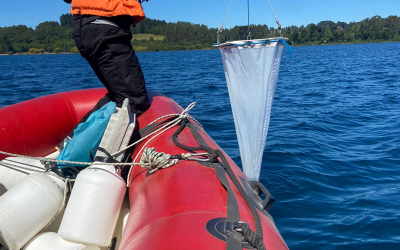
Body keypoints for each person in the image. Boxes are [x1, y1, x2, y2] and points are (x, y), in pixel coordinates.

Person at [62, 0, 150, 139]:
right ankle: (87, 153)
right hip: (106, 26)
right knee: (134, 101)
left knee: (118, 96)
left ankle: (71, 142)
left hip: (86, 28)